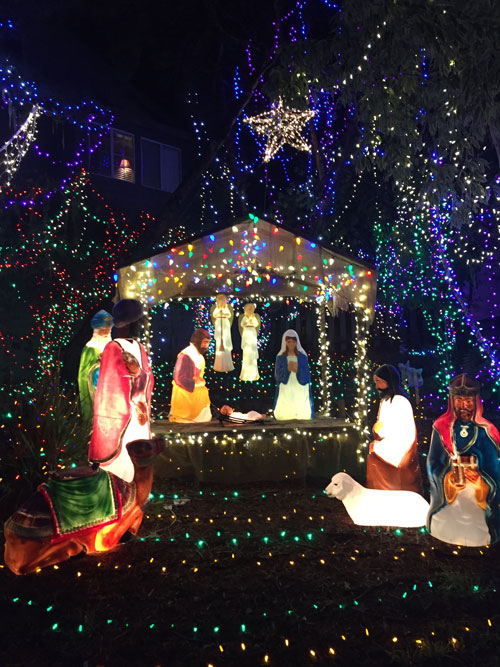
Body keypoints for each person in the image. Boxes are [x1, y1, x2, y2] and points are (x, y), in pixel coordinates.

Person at [427, 374, 500, 547]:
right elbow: (432, 463)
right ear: (452, 401)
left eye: (468, 400)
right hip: (450, 498)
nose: (464, 406)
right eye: (459, 400)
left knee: (478, 527)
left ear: (476, 401)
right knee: (443, 522)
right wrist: (448, 479)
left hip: (477, 502)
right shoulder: (441, 427)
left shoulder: (486, 432)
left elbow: (495, 470)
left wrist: (481, 482)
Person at [88, 299, 154, 483]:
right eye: (138, 320)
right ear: (130, 322)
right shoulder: (113, 347)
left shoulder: (140, 348)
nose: (140, 325)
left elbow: (148, 377)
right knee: (120, 469)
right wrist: (136, 379)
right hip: (122, 417)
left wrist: (139, 376)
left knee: (136, 462)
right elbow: (109, 389)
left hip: (139, 416)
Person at [366, 364, 422, 493]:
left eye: (378, 381)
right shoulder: (386, 401)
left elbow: (396, 431)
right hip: (386, 444)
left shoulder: (399, 401)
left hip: (398, 450)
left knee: (374, 457)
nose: (376, 386)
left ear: (388, 380)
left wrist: (378, 429)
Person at [169, 328, 212, 423]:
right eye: (205, 342)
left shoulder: (200, 358)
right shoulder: (185, 355)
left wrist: (200, 381)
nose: (207, 346)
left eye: (208, 342)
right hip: (185, 392)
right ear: (198, 341)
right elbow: (178, 378)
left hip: (197, 391)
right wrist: (194, 383)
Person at [78, 310, 112, 422]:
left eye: (109, 329)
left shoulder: (111, 346)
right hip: (97, 389)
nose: (107, 332)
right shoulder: (90, 348)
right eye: (103, 330)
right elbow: (85, 374)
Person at [273, 329, 313, 420]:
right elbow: (277, 374)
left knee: (300, 396)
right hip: (286, 383)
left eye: (293, 342)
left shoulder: (302, 357)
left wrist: (298, 369)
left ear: (296, 342)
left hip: (299, 383)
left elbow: (307, 374)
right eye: (289, 342)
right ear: (285, 343)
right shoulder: (280, 357)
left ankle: (300, 413)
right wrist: (287, 370)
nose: (291, 344)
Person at [210, 294, 234, 372]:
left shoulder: (226, 308)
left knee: (225, 343)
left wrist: (223, 314)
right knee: (219, 343)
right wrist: (218, 313)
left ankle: (227, 363)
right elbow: (214, 315)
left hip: (225, 324)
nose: (221, 302)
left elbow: (229, 314)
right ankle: (219, 364)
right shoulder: (216, 308)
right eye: (219, 301)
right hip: (219, 325)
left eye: (222, 301)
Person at [238, 303, 261, 381]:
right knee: (247, 354)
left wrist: (251, 322)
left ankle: (253, 373)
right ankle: (246, 373)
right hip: (246, 333)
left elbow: (256, 323)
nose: (250, 311)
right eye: (249, 309)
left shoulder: (254, 317)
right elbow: (242, 324)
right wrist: (248, 323)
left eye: (251, 309)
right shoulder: (244, 317)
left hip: (252, 333)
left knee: (252, 353)